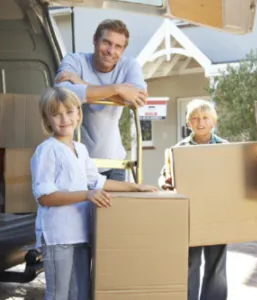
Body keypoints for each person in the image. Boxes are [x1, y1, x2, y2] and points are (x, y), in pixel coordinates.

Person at [30, 87, 157, 300]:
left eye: (69, 112)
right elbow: (45, 196)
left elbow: (98, 182)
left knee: (80, 294)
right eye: (56, 114)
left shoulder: (80, 149)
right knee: (58, 295)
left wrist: (135, 186)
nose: (64, 119)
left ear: (79, 114)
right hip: (58, 236)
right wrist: (86, 195)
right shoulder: (46, 150)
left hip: (81, 233)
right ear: (47, 119)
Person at [55, 19, 147, 182]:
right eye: (107, 42)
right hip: (77, 161)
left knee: (115, 208)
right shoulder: (75, 61)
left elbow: (137, 99)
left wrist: (82, 84)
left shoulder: (129, 65)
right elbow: (63, 92)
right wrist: (118, 90)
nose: (111, 50)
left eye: (118, 46)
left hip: (114, 163)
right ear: (95, 40)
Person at [158, 99, 228, 300]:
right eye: (195, 118)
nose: (200, 122)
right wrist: (166, 181)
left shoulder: (225, 148)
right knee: (190, 262)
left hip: (217, 214)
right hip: (190, 215)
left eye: (205, 118)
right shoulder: (179, 149)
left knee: (216, 264)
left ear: (214, 122)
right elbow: (165, 175)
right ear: (188, 123)